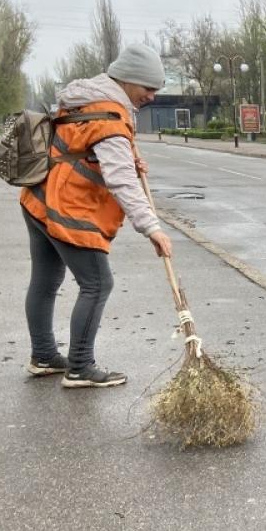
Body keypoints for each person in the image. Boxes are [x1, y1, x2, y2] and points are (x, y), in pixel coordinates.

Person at [20, 43, 173, 388]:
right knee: (98, 283)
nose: (152, 96)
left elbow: (83, 150)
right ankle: (80, 367)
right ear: (129, 80)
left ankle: (43, 355)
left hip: (39, 199)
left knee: (45, 282)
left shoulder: (87, 98)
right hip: (66, 208)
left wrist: (126, 160)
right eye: (148, 88)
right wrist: (152, 228)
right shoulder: (110, 116)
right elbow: (120, 181)